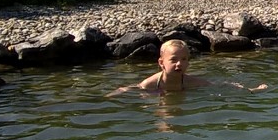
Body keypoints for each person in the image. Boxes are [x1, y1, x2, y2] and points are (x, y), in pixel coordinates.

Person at [112, 39, 267, 94]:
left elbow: (221, 85)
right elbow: (128, 89)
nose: (179, 63)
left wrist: (251, 90)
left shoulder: (191, 82)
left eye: (184, 59)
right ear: (161, 63)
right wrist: (110, 97)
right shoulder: (150, 84)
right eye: (173, 60)